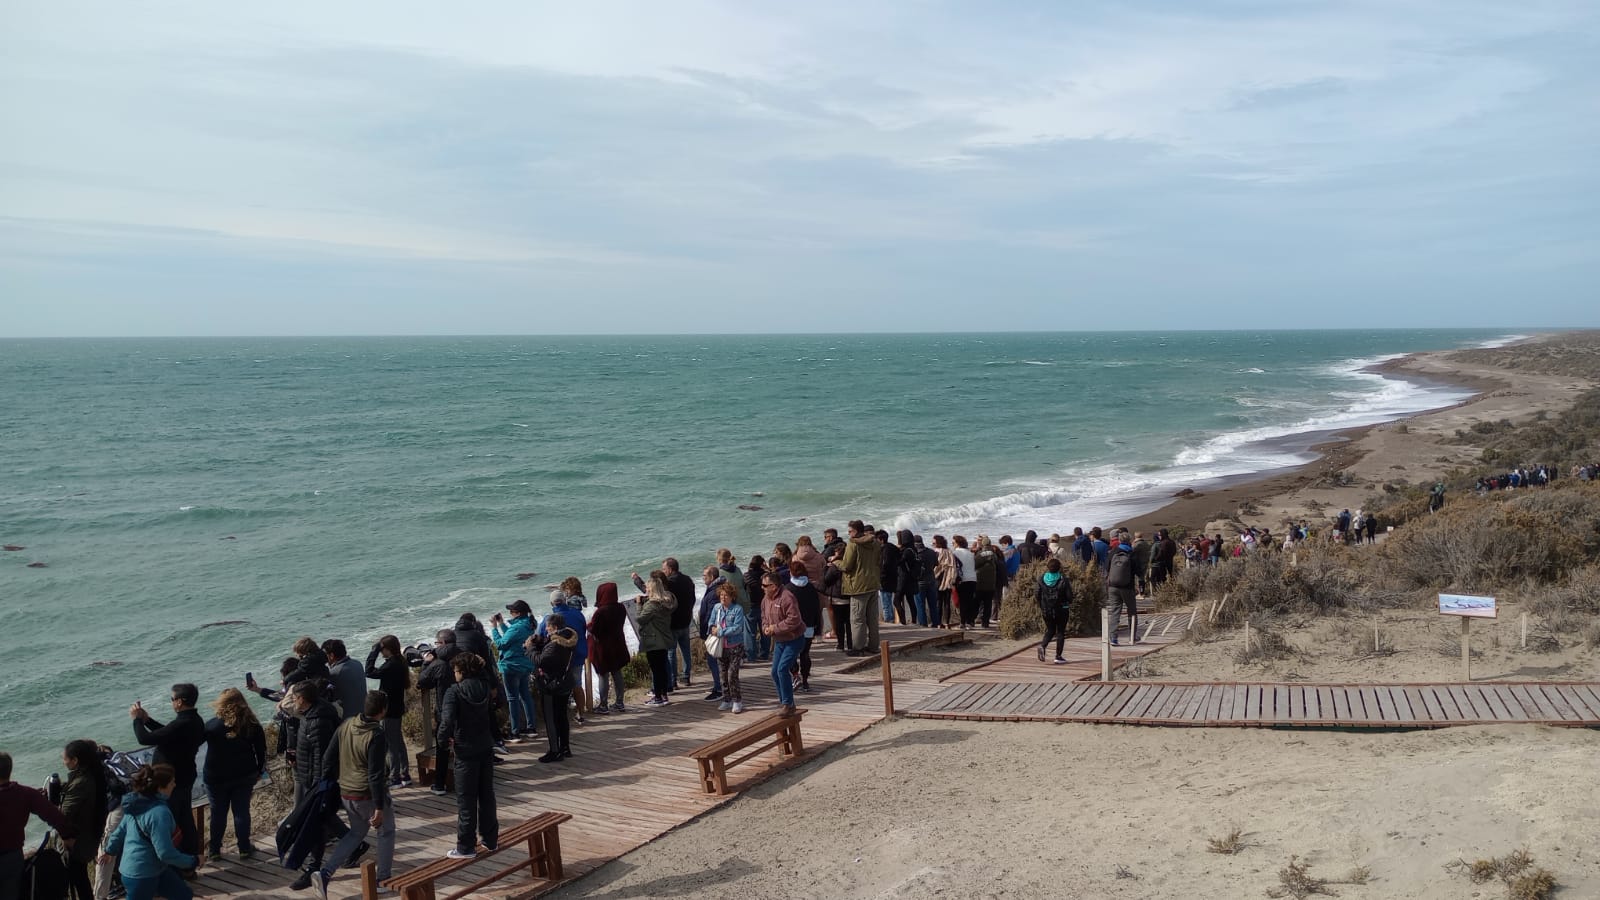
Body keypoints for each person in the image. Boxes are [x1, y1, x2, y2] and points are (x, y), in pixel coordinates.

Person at [310, 691, 395, 899]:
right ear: (383, 710)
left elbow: (328, 758)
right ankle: (382, 880)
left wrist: (327, 785)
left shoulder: (347, 724)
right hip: (367, 794)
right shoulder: (376, 734)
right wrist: (379, 807)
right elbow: (375, 774)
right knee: (386, 832)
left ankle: (325, 873)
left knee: (355, 834)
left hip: (346, 791)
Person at [130, 683, 204, 862]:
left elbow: (144, 739)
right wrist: (148, 720)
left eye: (172, 699)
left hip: (170, 782)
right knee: (185, 818)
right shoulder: (194, 720)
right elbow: (167, 734)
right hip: (185, 776)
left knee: (170, 822)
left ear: (179, 702)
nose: (172, 703)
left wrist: (136, 720)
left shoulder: (181, 723)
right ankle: (190, 858)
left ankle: (178, 862)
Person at [98, 764, 197, 900]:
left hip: (154, 869)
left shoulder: (136, 804)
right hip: (141, 874)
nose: (174, 785)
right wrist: (193, 861)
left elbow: (120, 831)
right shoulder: (159, 813)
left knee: (184, 895)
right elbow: (165, 853)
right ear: (161, 787)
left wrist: (110, 851)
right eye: (172, 782)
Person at [286, 681, 346, 890]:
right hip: (308, 777)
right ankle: (353, 844)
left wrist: (317, 784)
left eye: (294, 697)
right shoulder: (310, 715)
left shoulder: (318, 721)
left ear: (303, 699)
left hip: (316, 781)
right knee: (322, 820)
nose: (293, 700)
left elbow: (322, 756)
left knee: (313, 824)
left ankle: (313, 867)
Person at [438, 652, 498, 859]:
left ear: (462, 672)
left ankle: (465, 846)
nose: (454, 674)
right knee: (486, 795)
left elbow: (446, 721)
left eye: (455, 671)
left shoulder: (453, 692)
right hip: (485, 746)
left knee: (466, 800)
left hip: (465, 750)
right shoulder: (484, 686)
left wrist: (442, 740)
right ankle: (490, 839)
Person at [2, 750, 76, 900]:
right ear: (9, 770)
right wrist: (67, 835)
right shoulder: (26, 794)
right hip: (12, 857)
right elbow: (55, 816)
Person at [202, 689, 266, 862]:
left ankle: (214, 850)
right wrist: (259, 771)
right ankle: (244, 848)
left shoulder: (211, 726)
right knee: (241, 811)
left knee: (218, 813)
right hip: (244, 775)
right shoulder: (252, 725)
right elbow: (261, 751)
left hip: (215, 777)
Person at [632, 559, 696, 689]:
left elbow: (649, 591)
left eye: (664, 569)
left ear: (671, 569)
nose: (663, 571)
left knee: (671, 653)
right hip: (686, 620)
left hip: (673, 623)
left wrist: (636, 579)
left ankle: (672, 682)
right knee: (685, 650)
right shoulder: (688, 580)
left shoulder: (669, 585)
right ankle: (686, 676)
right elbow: (693, 598)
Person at [59, 740, 108, 900]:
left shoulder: (81, 782)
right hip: (90, 835)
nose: (64, 761)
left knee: (77, 879)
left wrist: (66, 837)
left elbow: (64, 815)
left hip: (78, 839)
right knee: (80, 878)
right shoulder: (93, 774)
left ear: (75, 761)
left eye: (65, 758)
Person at [414, 630, 461, 796]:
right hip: (465, 709)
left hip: (445, 711)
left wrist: (426, 663)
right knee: (463, 743)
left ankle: (440, 784)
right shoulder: (463, 656)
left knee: (442, 748)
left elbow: (423, 681)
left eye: (437, 643)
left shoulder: (438, 663)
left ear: (442, 644)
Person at [363, 636, 412, 788]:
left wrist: (374, 652)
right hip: (397, 707)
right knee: (398, 741)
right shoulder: (400, 662)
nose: (381, 651)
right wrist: (378, 649)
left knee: (391, 744)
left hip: (389, 710)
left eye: (382, 649)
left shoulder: (390, 665)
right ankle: (405, 774)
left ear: (387, 649)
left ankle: (395, 777)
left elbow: (369, 671)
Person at [530, 614, 578, 763]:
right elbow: (550, 649)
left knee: (551, 719)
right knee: (562, 717)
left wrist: (530, 648)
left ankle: (554, 751)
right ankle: (565, 748)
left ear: (555, 628)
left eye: (548, 627)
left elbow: (542, 660)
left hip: (552, 685)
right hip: (564, 683)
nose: (546, 629)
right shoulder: (568, 637)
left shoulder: (555, 644)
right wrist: (540, 642)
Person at [537, 590, 589, 724]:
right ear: (565, 600)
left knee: (560, 686)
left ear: (551, 603)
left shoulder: (549, 619)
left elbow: (540, 637)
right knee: (577, 684)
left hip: (558, 658)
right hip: (577, 654)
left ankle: (561, 715)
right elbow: (583, 630)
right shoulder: (578, 614)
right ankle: (581, 714)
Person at [490, 601, 538, 741]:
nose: (510, 613)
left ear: (517, 613)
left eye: (511, 611)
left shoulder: (517, 628)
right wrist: (501, 624)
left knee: (512, 698)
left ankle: (515, 731)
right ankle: (531, 728)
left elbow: (501, 644)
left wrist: (493, 628)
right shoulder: (528, 624)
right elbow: (511, 638)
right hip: (524, 665)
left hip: (511, 666)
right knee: (525, 696)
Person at [759, 572, 805, 718]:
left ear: (774, 586)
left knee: (782, 669)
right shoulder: (765, 599)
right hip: (780, 640)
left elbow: (794, 619)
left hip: (794, 639)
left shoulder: (787, 597)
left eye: (765, 585)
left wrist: (775, 628)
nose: (763, 588)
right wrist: (766, 627)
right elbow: (763, 616)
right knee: (774, 672)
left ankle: (787, 704)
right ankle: (786, 702)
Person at [707, 582, 754, 712]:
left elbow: (738, 628)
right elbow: (711, 622)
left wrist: (721, 631)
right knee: (722, 674)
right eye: (721, 595)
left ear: (732, 596)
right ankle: (726, 699)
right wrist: (712, 629)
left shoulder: (737, 609)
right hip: (721, 646)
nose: (723, 598)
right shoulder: (717, 608)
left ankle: (737, 700)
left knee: (732, 674)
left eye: (726, 595)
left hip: (734, 646)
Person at [634, 571, 676, 707]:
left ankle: (657, 697)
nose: (646, 589)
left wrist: (639, 604)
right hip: (664, 638)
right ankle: (663, 695)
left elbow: (640, 619)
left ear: (653, 589)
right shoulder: (667, 601)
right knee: (662, 668)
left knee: (656, 669)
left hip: (653, 640)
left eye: (648, 588)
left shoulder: (652, 605)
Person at [586, 582, 630, 714]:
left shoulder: (601, 612)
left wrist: (588, 626)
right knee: (617, 673)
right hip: (617, 644)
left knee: (603, 675)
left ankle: (603, 705)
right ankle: (620, 702)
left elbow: (595, 630)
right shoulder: (621, 608)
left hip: (603, 648)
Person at [841, 520, 882, 656]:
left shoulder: (853, 544)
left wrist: (835, 562)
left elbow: (847, 566)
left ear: (856, 531)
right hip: (873, 583)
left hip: (858, 586)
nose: (849, 534)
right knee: (872, 618)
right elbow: (878, 562)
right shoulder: (876, 543)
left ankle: (858, 648)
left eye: (850, 531)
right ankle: (874, 646)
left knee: (857, 619)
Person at [786, 564, 821, 695]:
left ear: (791, 573)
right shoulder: (811, 587)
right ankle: (805, 681)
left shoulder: (788, 589)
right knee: (805, 654)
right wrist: (818, 627)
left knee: (791, 654)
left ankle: (795, 675)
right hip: (809, 626)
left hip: (793, 627)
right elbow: (817, 608)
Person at [696, 565, 728, 702]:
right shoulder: (715, 588)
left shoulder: (715, 591)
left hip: (714, 632)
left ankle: (720, 688)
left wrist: (709, 630)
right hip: (714, 631)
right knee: (717, 660)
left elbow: (714, 614)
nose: (703, 578)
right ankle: (719, 685)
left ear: (712, 577)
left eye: (705, 576)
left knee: (714, 660)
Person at [1036, 558, 1075, 664]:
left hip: (1046, 610)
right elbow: (1070, 596)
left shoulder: (1041, 578)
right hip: (1062, 609)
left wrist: (1042, 605)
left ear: (1048, 568)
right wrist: (1068, 601)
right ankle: (1058, 656)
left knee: (1050, 630)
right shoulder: (1063, 579)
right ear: (1059, 568)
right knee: (1061, 632)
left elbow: (1037, 594)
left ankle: (1043, 646)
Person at [1105, 538, 1138, 646]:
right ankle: (1133, 636)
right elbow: (1137, 569)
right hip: (1127, 586)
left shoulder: (1113, 552)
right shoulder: (1131, 553)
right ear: (1129, 541)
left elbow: (1106, 567)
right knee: (1132, 610)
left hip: (1113, 586)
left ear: (1119, 541)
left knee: (1115, 611)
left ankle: (1113, 637)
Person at [820, 546, 850, 651]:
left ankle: (841, 645)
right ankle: (850, 645)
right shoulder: (851, 564)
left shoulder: (835, 566)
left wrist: (826, 568)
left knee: (839, 623)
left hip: (838, 598)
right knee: (849, 623)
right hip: (850, 596)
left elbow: (826, 580)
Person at [744, 554, 769, 660]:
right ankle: (765, 654)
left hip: (751, 605)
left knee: (750, 632)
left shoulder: (746, 576)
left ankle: (751, 655)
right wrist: (767, 568)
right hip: (764, 605)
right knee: (765, 630)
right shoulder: (766, 577)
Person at [950, 536, 978, 628]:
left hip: (962, 579)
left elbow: (954, 568)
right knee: (970, 601)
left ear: (957, 543)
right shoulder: (970, 553)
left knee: (962, 602)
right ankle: (970, 622)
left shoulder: (955, 553)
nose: (952, 545)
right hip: (973, 579)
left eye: (953, 543)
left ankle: (962, 622)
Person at [974, 536, 1001, 629]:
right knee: (988, 604)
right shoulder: (994, 554)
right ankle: (985, 623)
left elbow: (975, 564)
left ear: (983, 544)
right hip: (991, 583)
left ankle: (973, 620)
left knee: (977, 602)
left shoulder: (980, 554)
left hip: (980, 582)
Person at [875, 529, 900, 624]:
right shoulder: (894, 548)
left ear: (881, 540)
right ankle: (892, 620)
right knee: (889, 602)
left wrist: (880, 576)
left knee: (886, 604)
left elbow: (884, 565)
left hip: (885, 580)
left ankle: (889, 621)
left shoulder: (884, 550)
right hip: (894, 578)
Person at [932, 535, 957, 629]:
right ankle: (946, 623)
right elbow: (954, 566)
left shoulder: (935, 553)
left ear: (938, 543)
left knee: (938, 602)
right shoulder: (950, 552)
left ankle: (939, 623)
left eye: (934, 543)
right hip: (949, 579)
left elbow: (934, 567)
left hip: (938, 579)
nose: (932, 544)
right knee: (947, 603)